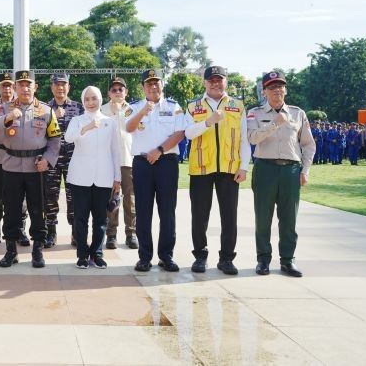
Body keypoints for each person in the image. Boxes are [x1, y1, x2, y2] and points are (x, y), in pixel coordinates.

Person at [0, 70, 62, 268]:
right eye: (20, 84)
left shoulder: (47, 111)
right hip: (11, 166)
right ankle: (11, 250)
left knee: (37, 210)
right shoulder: (4, 108)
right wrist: (7, 118)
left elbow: (55, 139)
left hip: (36, 167)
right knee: (11, 209)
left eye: (28, 84)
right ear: (15, 87)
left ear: (35, 87)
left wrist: (48, 160)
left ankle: (37, 250)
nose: (25, 88)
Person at [247, 71, 316, 277]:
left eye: (281, 86)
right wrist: (275, 123)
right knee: (263, 217)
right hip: (265, 169)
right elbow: (252, 138)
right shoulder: (255, 113)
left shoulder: (297, 113)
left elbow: (308, 144)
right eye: (272, 86)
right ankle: (263, 259)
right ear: (264, 91)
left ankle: (288, 260)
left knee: (289, 219)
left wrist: (305, 170)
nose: (277, 89)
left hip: (290, 170)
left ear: (285, 89)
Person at [184, 65, 250, 275]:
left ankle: (227, 258)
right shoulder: (194, 106)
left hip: (230, 168)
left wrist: (244, 167)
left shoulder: (237, 106)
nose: (215, 83)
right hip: (201, 167)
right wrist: (208, 122)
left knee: (229, 215)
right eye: (211, 80)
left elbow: (244, 140)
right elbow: (188, 133)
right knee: (199, 215)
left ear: (225, 82)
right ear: (204, 82)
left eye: (219, 79)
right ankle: (200, 256)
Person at [126, 70, 186, 273]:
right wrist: (143, 111)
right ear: (143, 87)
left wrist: (159, 151)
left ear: (162, 85)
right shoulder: (134, 106)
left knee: (167, 211)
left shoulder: (173, 106)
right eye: (149, 83)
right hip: (142, 163)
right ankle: (144, 257)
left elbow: (180, 133)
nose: (153, 87)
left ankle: (166, 256)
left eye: (156, 83)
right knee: (143, 211)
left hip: (166, 162)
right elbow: (128, 127)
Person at [65, 86, 121, 269]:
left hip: (103, 177)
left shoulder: (110, 122)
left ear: (100, 100)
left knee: (100, 219)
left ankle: (96, 253)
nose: (91, 102)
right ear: (83, 101)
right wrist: (86, 128)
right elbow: (68, 138)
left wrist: (117, 177)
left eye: (94, 98)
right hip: (80, 177)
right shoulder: (77, 120)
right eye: (87, 99)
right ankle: (82, 254)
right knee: (80, 218)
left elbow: (115, 150)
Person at [0, 72, 30, 247]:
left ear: (15, 87)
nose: (7, 88)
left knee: (20, 198)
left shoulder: (21, 104)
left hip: (17, 158)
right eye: (4, 85)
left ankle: (21, 230)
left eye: (10, 85)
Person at [44, 73, 82, 248]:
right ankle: (51, 233)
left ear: (69, 87)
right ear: (52, 87)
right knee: (50, 196)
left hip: (73, 161)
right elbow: (38, 134)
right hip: (51, 160)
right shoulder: (44, 109)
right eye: (57, 84)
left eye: (63, 84)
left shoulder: (78, 108)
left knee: (73, 197)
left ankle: (76, 233)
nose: (60, 88)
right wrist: (53, 115)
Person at [101, 77, 138, 250]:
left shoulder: (134, 110)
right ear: (109, 93)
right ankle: (111, 234)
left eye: (120, 89)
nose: (117, 92)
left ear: (126, 92)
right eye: (114, 89)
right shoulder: (102, 110)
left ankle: (131, 233)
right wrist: (114, 113)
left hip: (128, 160)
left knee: (130, 200)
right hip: (108, 162)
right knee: (111, 199)